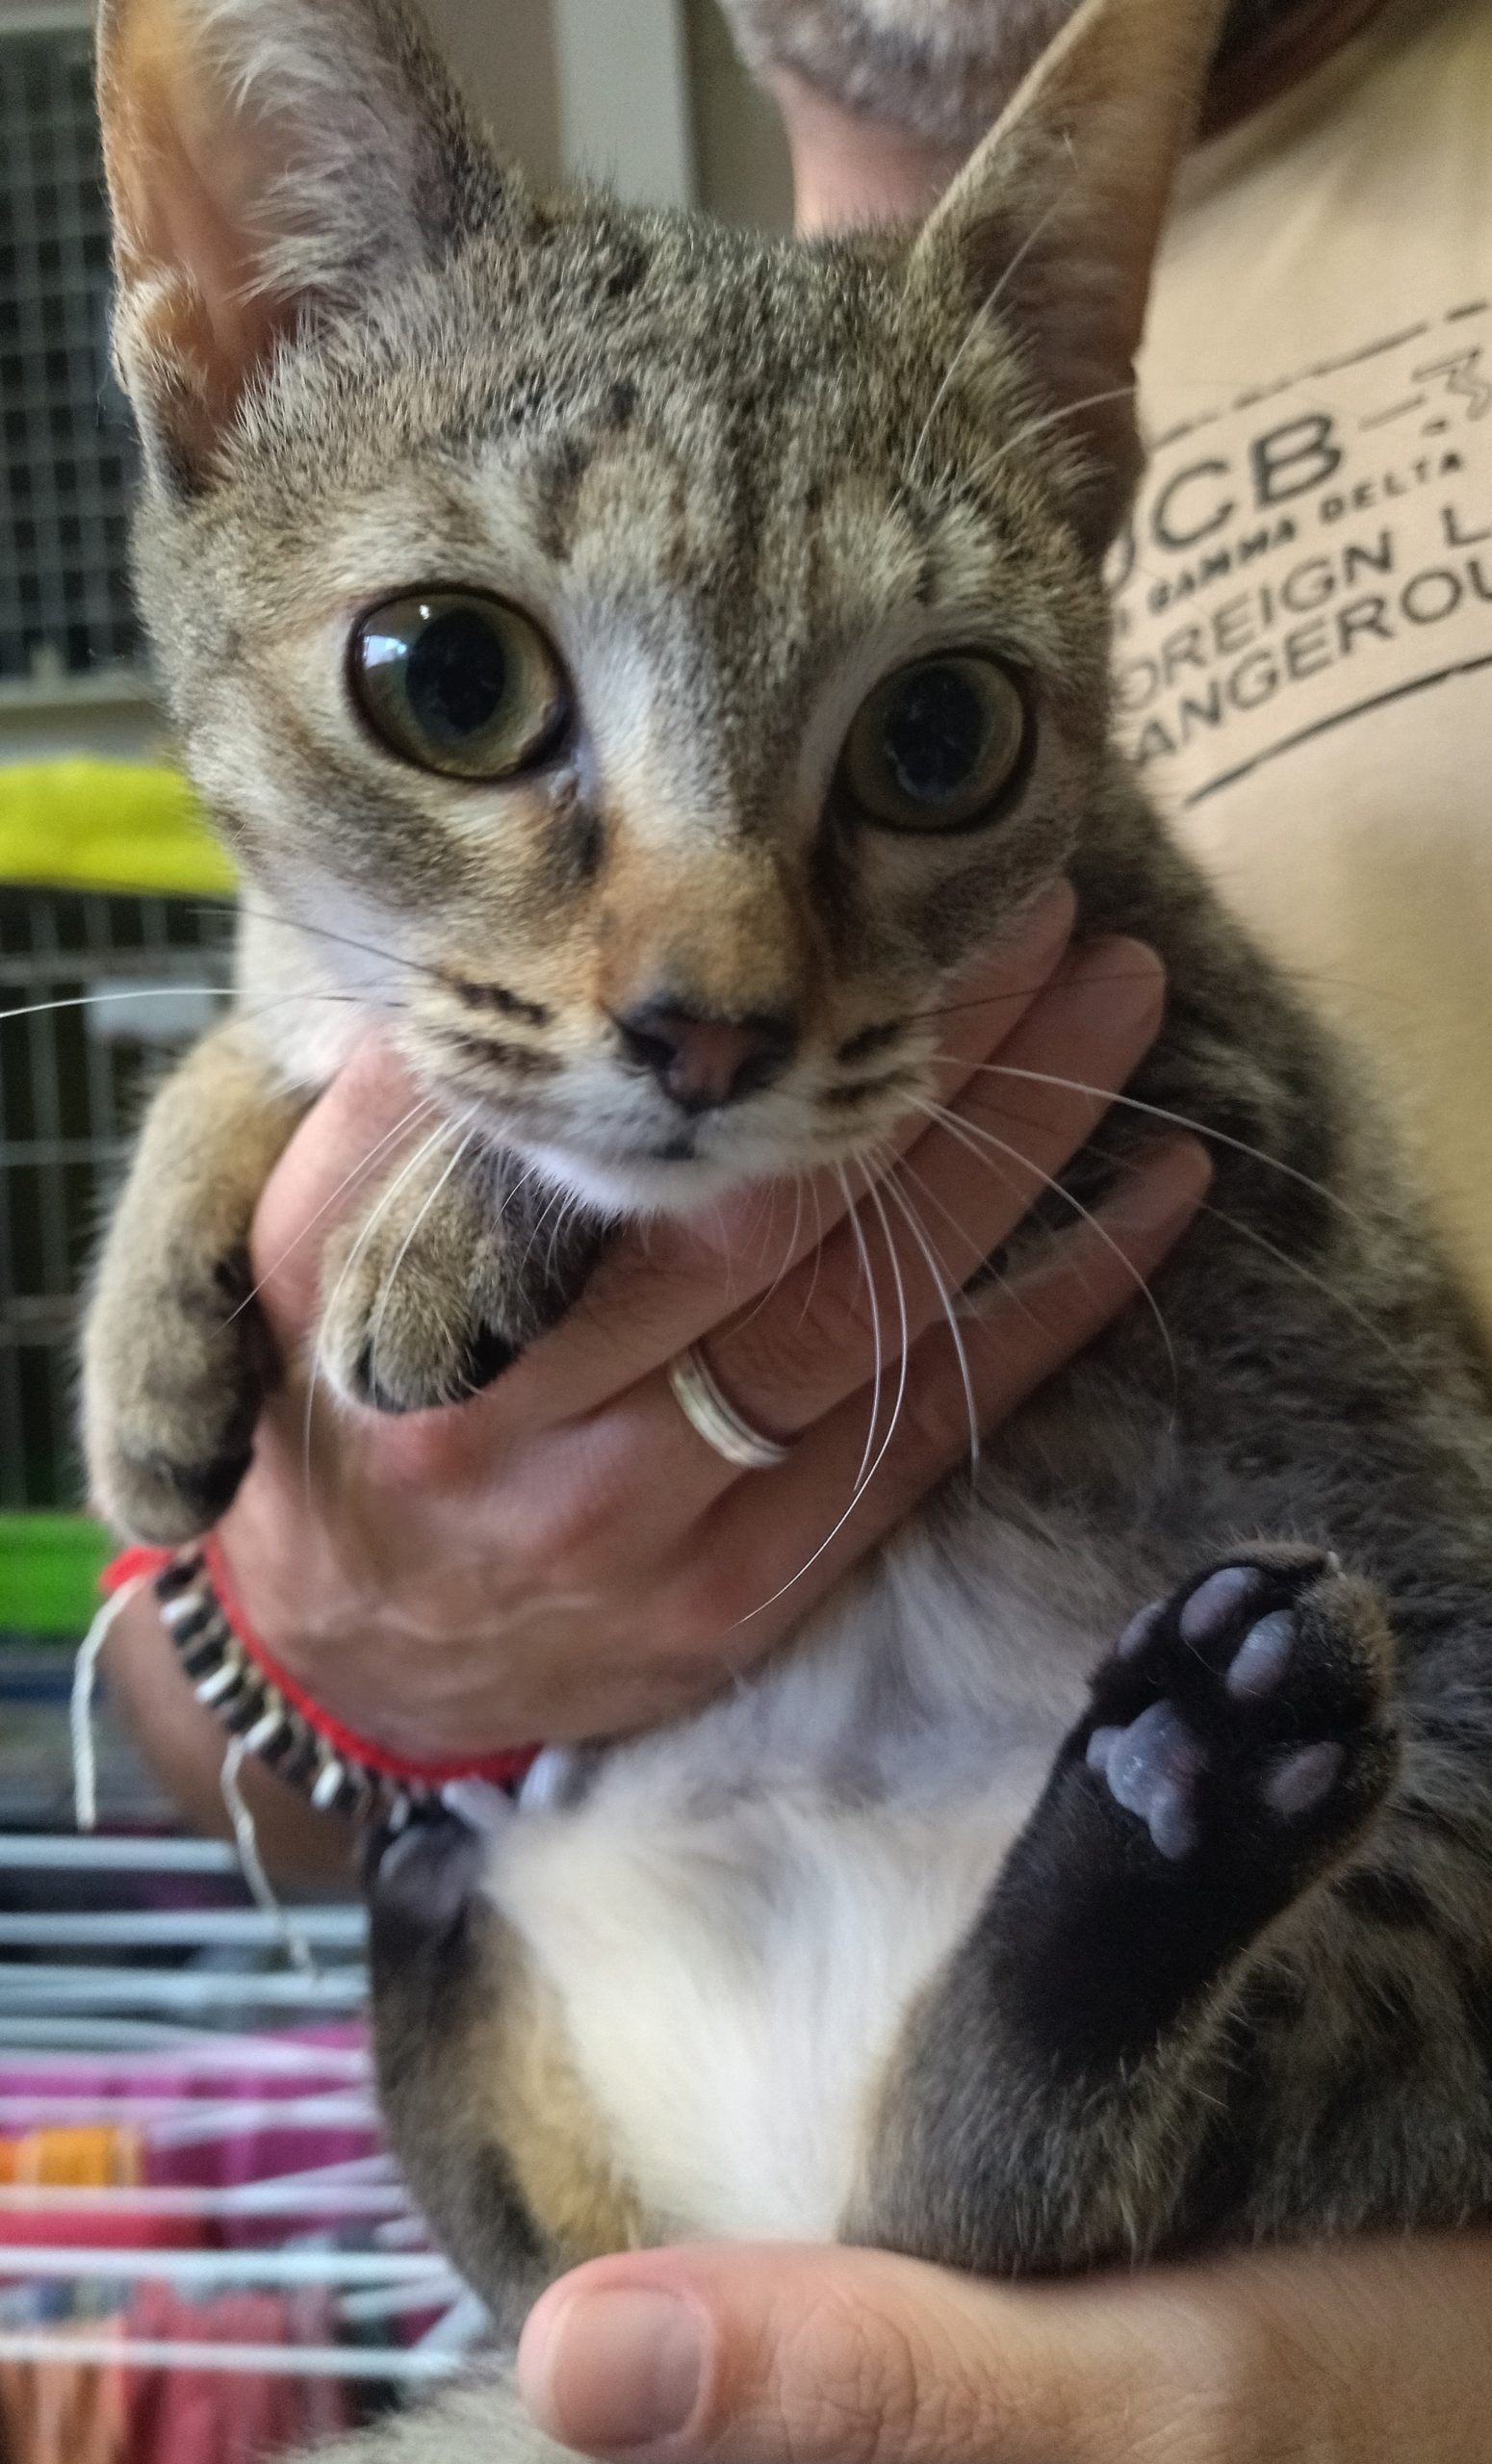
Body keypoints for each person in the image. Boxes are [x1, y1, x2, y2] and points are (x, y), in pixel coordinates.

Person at [102, 0, 1492, 2454]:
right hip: (693, 2098)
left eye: (928, 744)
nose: (715, 989)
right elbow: (201, 1669)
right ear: (234, 345)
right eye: (456, 680)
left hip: (1285, 1979)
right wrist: (311, 1634)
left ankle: (1030, 2083)